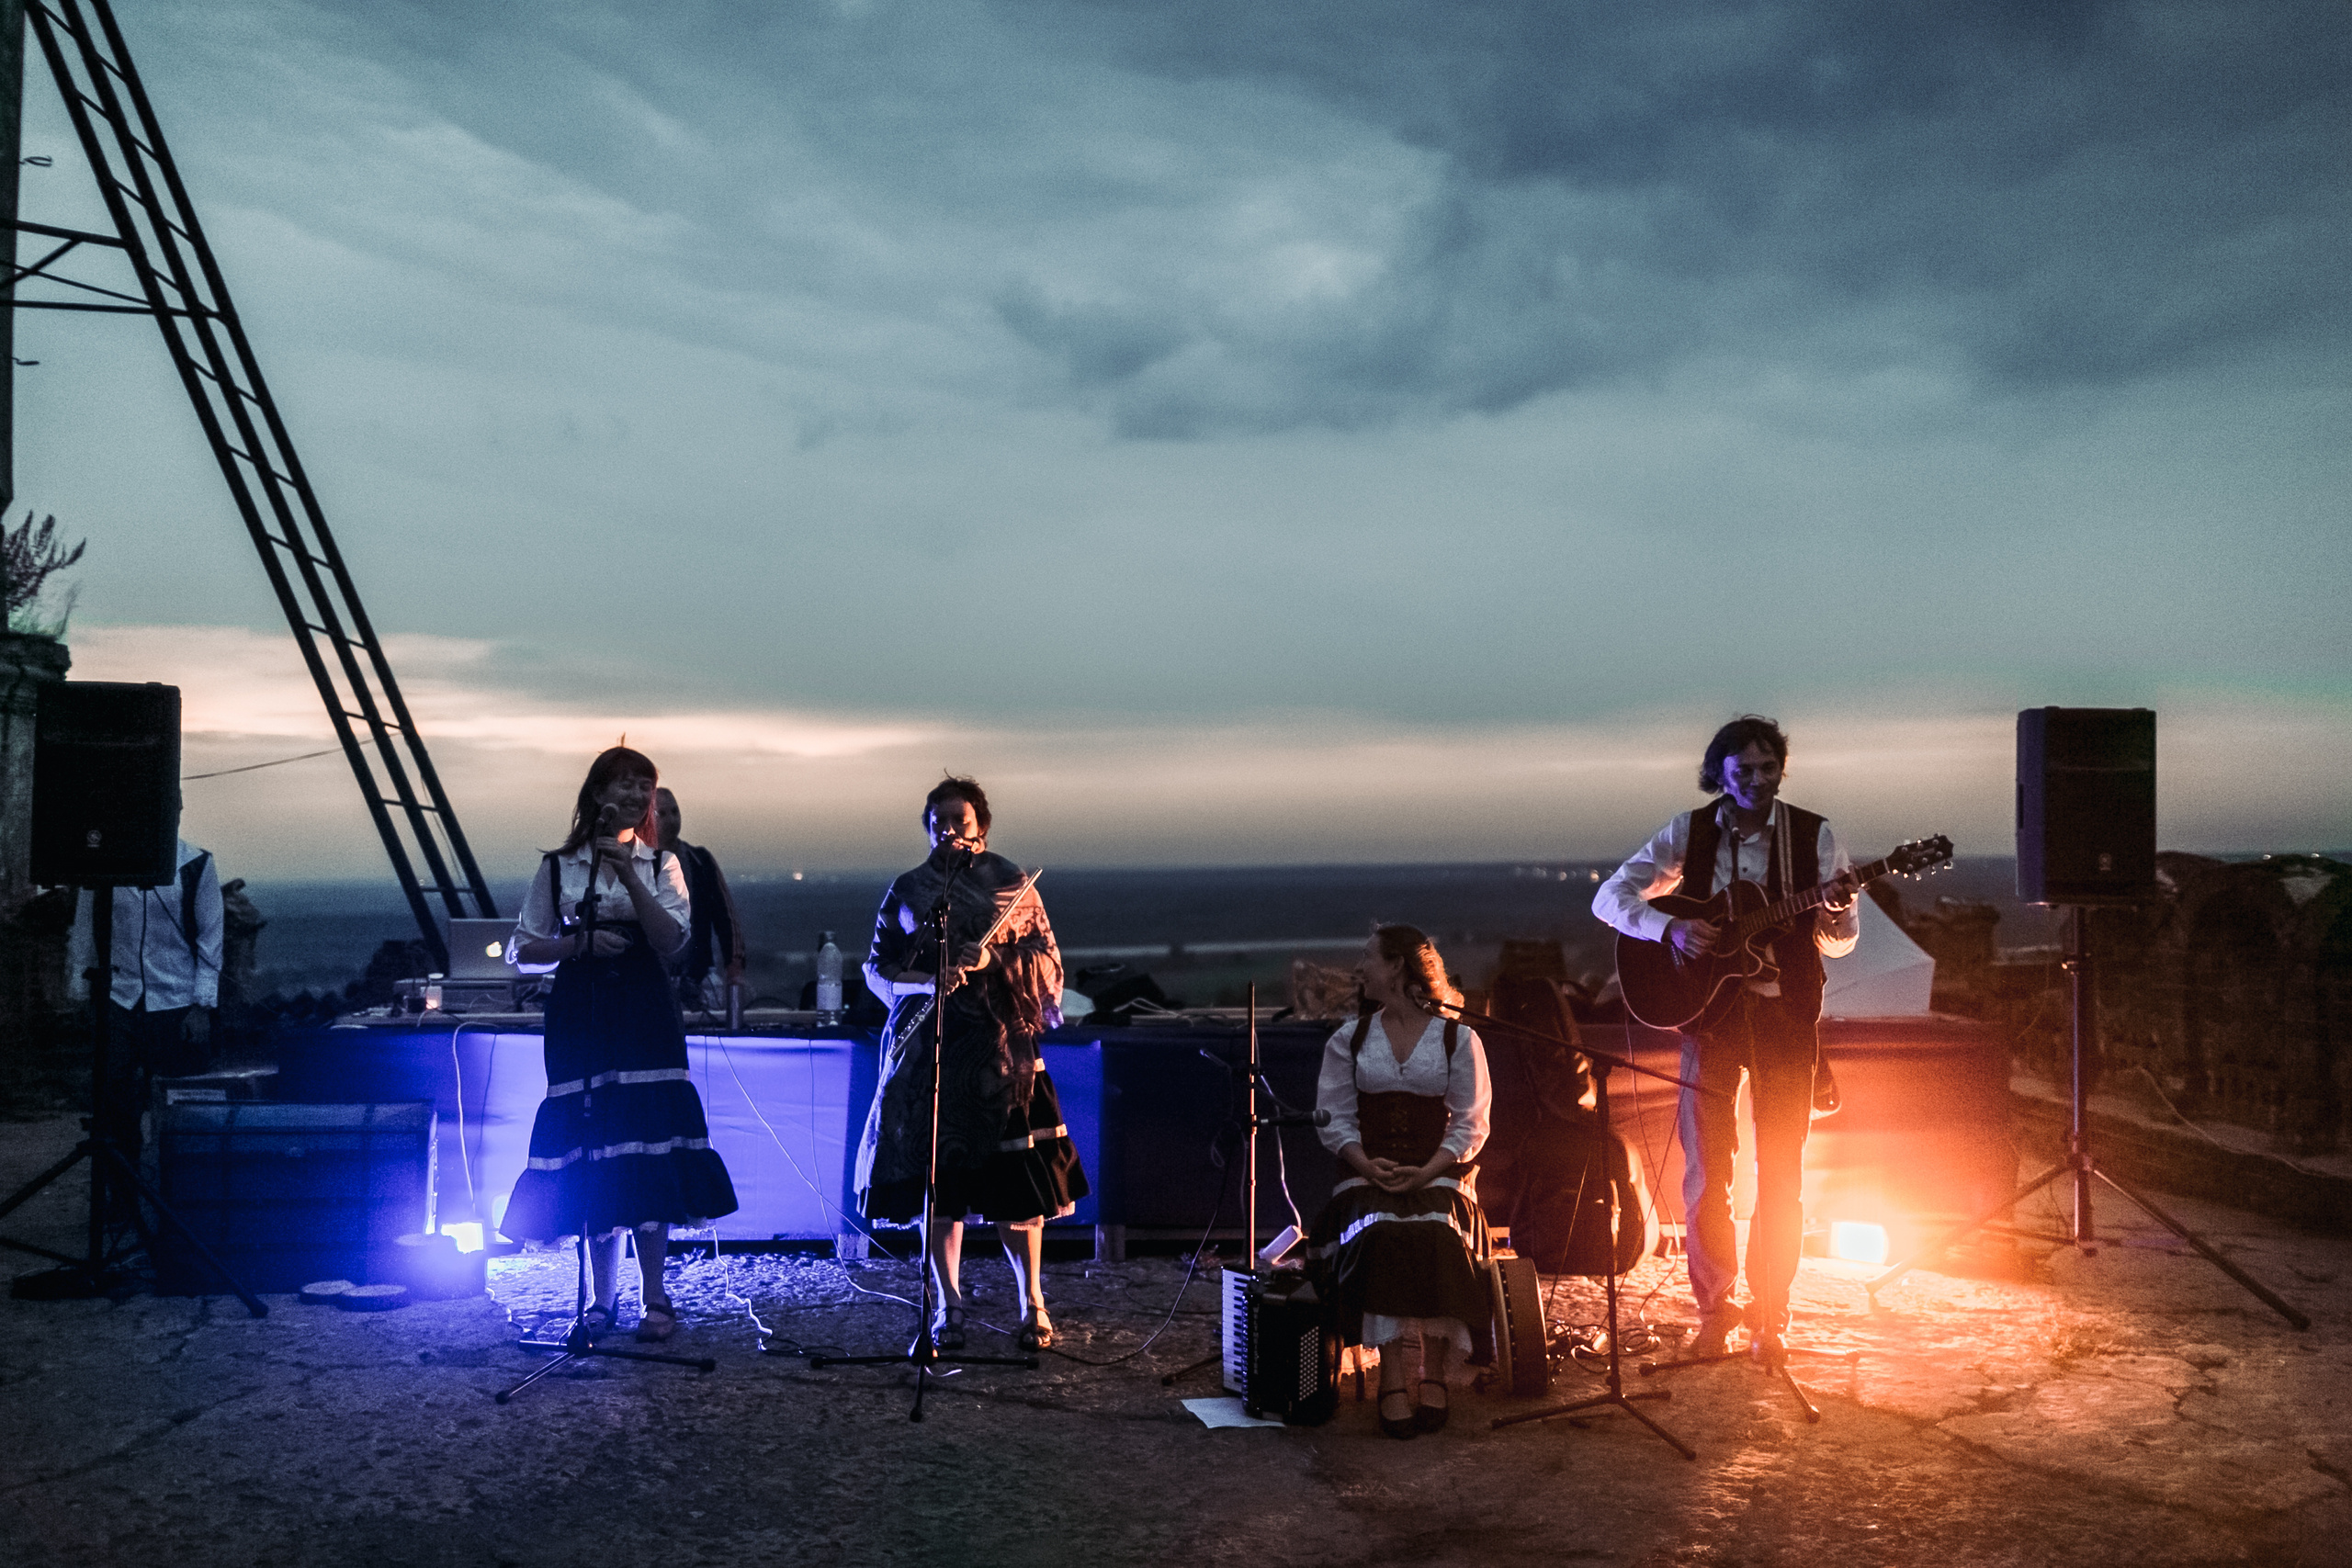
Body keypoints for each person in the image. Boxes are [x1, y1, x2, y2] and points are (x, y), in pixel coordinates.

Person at [1591, 715, 1861, 1367]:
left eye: (1769, 768)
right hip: (1710, 1019)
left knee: (1782, 1174)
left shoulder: (1815, 834)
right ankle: (1715, 1310)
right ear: (1721, 774)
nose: (1759, 781)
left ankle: (1772, 1316)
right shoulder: (1690, 831)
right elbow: (1609, 897)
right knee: (1708, 1172)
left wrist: (1834, 907)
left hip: (1785, 1020)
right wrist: (1669, 931)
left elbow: (1840, 941)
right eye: (1744, 771)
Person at [502, 747, 740, 1343]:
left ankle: (654, 1294)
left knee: (648, 1146)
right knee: (595, 1145)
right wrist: (574, 946)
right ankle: (601, 1300)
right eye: (626, 784)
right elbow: (521, 949)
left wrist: (631, 873)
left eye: (646, 787)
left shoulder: (663, 864)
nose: (638, 796)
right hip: (581, 1016)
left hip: (646, 1013)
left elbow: (672, 942)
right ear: (597, 792)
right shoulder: (558, 868)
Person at [854, 775, 1087, 1352]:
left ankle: (1032, 1301)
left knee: (1017, 1191)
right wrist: (924, 981)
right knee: (942, 1188)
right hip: (930, 1056)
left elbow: (1050, 966)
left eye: (960, 819)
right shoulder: (908, 889)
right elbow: (876, 967)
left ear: (980, 824)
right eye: (939, 821)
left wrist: (992, 958)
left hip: (1002, 1058)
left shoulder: (1013, 885)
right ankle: (949, 1307)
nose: (950, 828)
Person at [1309, 924, 1493, 1439]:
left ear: (1396, 967)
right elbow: (1334, 1116)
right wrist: (1367, 1165)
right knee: (1383, 1232)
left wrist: (1430, 1168)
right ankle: (1392, 1376)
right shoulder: (1350, 1038)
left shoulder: (1459, 1035)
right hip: (1368, 1168)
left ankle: (1433, 1375)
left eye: (1368, 957)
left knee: (1436, 1232)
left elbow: (1471, 1122)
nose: (1360, 967)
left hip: (1438, 1168)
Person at [67, 838, 223, 1159]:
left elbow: (211, 934)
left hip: (175, 1000)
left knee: (177, 1098)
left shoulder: (195, 864)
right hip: (119, 997)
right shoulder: (102, 865)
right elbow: (84, 926)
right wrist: (79, 986)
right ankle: (122, 1192)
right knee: (114, 1099)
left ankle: (177, 1188)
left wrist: (201, 1005)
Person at [654, 787, 745, 1014]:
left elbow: (726, 917)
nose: (672, 820)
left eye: (675, 812)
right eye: (661, 814)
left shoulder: (700, 860)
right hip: (651, 980)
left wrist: (734, 967)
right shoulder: (636, 863)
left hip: (699, 979)